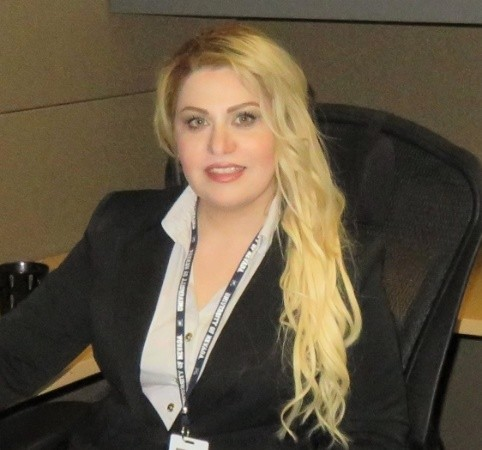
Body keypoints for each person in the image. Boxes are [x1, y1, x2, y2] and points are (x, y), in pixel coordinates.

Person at [0, 24, 409, 449]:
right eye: (196, 122)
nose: (219, 144)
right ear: (174, 136)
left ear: (287, 129)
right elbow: (14, 358)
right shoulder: (119, 230)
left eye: (245, 118)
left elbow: (375, 431)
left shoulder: (336, 261)